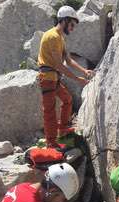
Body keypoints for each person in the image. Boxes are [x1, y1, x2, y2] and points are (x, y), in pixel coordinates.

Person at [37, 5, 94, 147]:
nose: (72, 28)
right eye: (72, 24)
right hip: (48, 77)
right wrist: (77, 79)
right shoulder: (52, 36)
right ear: (64, 20)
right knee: (50, 111)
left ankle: (62, 131)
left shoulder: (60, 38)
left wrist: (84, 71)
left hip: (53, 78)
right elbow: (58, 64)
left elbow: (68, 61)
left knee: (67, 100)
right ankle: (51, 143)